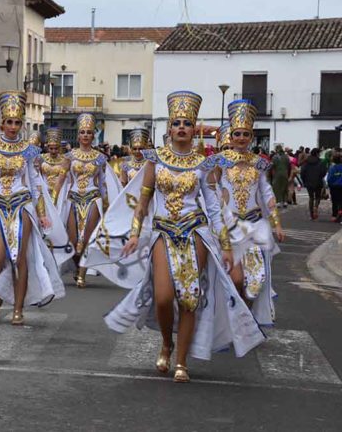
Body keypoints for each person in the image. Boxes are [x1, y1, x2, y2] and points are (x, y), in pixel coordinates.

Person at [109, 91, 265, 383]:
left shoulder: (202, 164)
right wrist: (133, 235)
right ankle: (167, 342)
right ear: (169, 128)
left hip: (195, 231)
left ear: (195, 129)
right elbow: (143, 203)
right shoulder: (155, 161)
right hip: (163, 230)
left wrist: (226, 246)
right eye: (177, 122)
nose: (181, 127)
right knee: (164, 297)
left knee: (190, 298)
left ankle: (181, 360)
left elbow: (214, 207)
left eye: (187, 123)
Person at [0, 91, 72, 326]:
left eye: (17, 122)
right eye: (9, 122)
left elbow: (35, 183)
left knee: (20, 259)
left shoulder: (28, 150)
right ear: (2, 123)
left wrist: (42, 214)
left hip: (21, 205)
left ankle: (17, 308)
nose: (13, 127)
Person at [212, 99, 285, 325]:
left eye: (245, 134)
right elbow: (210, 190)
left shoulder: (259, 164)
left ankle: (246, 320)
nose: (241, 138)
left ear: (251, 137)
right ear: (231, 136)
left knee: (255, 283)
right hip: (230, 227)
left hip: (254, 226)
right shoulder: (220, 162)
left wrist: (277, 223)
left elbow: (267, 193)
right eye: (237, 134)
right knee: (235, 279)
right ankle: (235, 319)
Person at [62, 113, 120, 288]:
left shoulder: (100, 158)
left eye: (88, 132)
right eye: (82, 132)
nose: (86, 135)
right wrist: (55, 198)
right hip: (73, 198)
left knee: (87, 238)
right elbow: (62, 179)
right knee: (73, 240)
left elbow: (103, 183)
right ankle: (76, 265)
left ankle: (82, 273)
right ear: (78, 135)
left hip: (93, 198)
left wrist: (107, 204)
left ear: (93, 135)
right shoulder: (69, 156)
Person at [38, 127, 68, 209]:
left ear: (60, 148)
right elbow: (38, 175)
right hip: (44, 192)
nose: (53, 151)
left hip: (60, 193)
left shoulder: (64, 160)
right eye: (51, 148)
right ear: (47, 147)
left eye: (56, 148)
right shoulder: (41, 158)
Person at [301, 148, 328, 220]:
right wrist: (320, 177)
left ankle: (311, 214)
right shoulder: (321, 162)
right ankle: (316, 206)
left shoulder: (306, 162)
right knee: (318, 196)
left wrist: (304, 180)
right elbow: (324, 172)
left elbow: (302, 172)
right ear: (317, 154)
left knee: (311, 197)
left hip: (308, 182)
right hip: (318, 181)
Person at [328, 154, 342, 223]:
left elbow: (329, 178)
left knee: (334, 202)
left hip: (334, 187)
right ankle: (340, 212)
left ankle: (334, 215)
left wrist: (330, 185)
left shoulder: (332, 168)